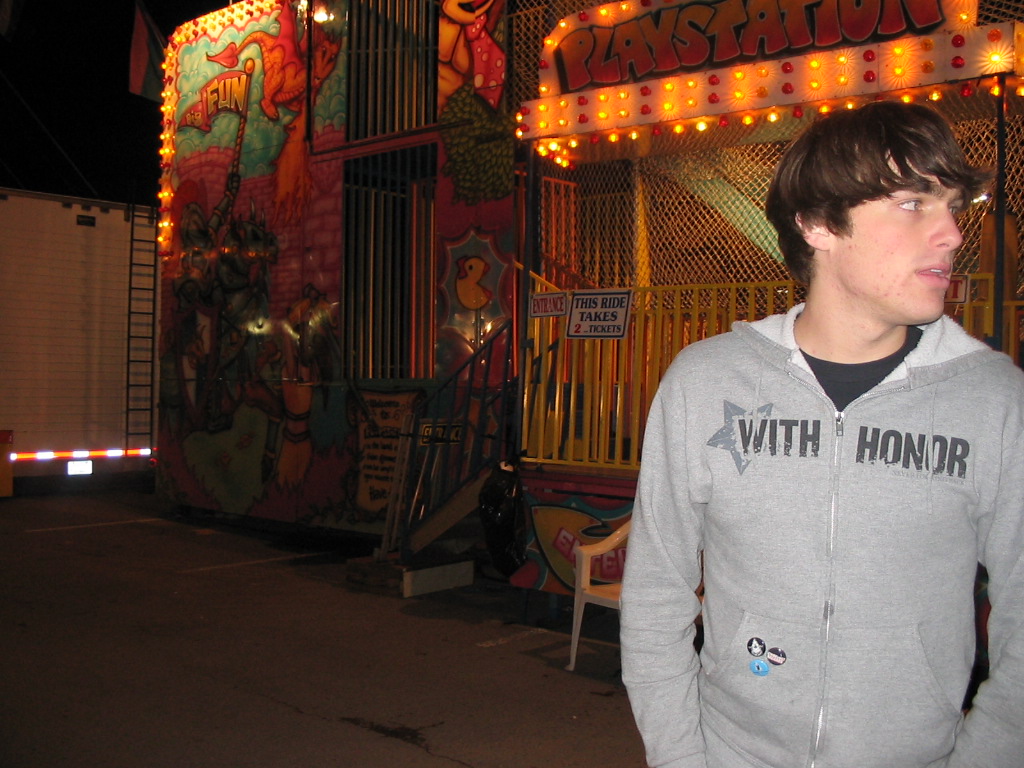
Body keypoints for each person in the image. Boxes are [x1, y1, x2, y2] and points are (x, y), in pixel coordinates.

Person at [619, 100, 1024, 768]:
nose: (953, 233)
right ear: (817, 224)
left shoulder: (993, 400)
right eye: (913, 204)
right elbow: (655, 597)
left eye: (953, 206)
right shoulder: (706, 383)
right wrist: (681, 758)